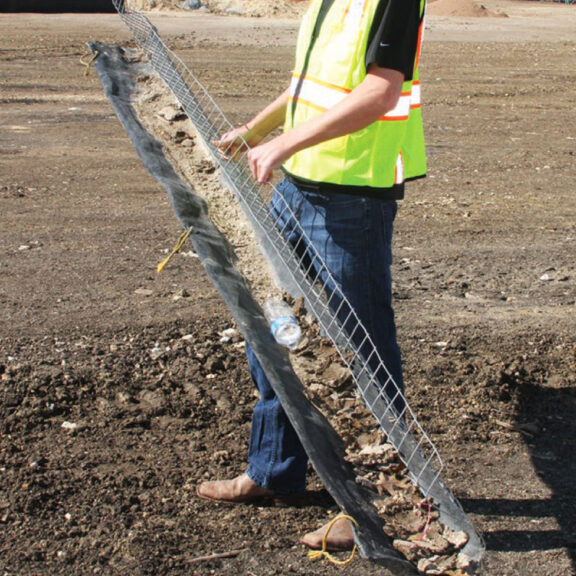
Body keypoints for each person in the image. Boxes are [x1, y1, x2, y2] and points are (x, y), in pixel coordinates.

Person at [197, 0, 427, 551]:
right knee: (273, 330)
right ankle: (275, 470)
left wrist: (285, 143)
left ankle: (374, 505)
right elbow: (307, 88)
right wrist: (255, 130)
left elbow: (380, 92)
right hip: (297, 186)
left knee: (363, 350)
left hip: (352, 197)